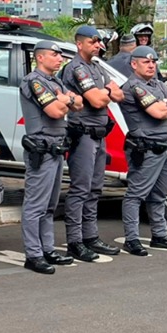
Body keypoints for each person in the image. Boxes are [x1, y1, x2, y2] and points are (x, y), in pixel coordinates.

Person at [58, 26, 124, 261]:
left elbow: (119, 95)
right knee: (80, 189)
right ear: (79, 44)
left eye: (98, 42)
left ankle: (90, 237)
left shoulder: (95, 67)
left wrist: (105, 91)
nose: (97, 45)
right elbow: (98, 100)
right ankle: (75, 242)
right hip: (83, 134)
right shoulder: (76, 68)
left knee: (95, 189)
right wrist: (106, 91)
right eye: (92, 42)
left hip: (99, 134)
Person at [117, 46, 167, 256]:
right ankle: (131, 239)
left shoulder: (156, 83)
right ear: (134, 64)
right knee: (136, 195)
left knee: (159, 195)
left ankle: (160, 235)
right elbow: (158, 113)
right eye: (146, 62)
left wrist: (166, 103)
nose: (151, 65)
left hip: (163, 146)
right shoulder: (134, 86)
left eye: (153, 61)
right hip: (145, 148)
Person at [19, 41, 81, 274]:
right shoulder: (34, 81)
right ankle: (33, 254)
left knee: (49, 205)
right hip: (41, 149)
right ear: (40, 58)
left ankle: (47, 249)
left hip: (56, 149)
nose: (59, 59)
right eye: (54, 55)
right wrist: (66, 100)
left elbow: (79, 104)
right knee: (35, 205)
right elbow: (55, 111)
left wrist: (66, 99)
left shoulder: (56, 82)